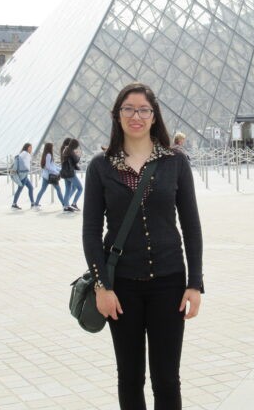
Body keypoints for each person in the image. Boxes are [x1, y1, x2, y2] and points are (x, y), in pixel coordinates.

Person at [82, 82, 203, 410]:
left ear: (154, 116)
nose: (136, 116)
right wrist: (102, 287)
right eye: (129, 109)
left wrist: (195, 284)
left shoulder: (175, 162)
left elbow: (191, 226)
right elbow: (91, 232)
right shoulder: (100, 166)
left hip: (170, 283)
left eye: (143, 110)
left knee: (167, 379)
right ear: (117, 115)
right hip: (121, 287)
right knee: (130, 377)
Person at [33, 142, 63, 208]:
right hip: (51, 176)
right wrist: (56, 172)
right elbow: (48, 166)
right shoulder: (49, 155)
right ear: (49, 148)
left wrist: (60, 169)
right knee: (58, 189)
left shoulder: (45, 154)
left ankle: (36, 203)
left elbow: (52, 165)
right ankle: (64, 204)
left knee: (42, 190)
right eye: (52, 147)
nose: (53, 148)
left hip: (46, 176)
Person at [61, 138, 83, 212]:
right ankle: (74, 203)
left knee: (68, 189)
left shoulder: (66, 149)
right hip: (70, 173)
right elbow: (76, 160)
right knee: (80, 188)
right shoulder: (70, 151)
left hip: (65, 173)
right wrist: (78, 155)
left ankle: (66, 206)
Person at [11, 143, 35, 210]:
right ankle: (14, 204)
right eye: (30, 147)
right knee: (20, 189)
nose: (31, 149)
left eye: (31, 148)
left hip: (25, 174)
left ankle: (33, 203)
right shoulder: (25, 153)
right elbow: (18, 158)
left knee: (30, 188)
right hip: (23, 174)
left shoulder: (26, 153)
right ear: (27, 148)